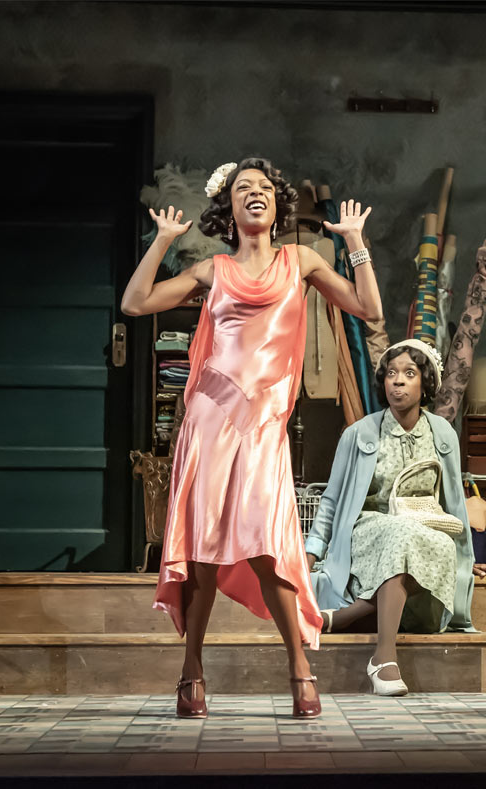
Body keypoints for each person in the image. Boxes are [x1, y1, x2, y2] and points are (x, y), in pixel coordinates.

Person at [120, 157, 384, 719]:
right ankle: (191, 669)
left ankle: (299, 667)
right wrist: (164, 241)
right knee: (204, 552)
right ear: (230, 207)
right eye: (244, 188)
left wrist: (356, 243)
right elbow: (135, 303)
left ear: (276, 202)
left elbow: (369, 309)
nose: (256, 194)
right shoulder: (212, 271)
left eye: (264, 187)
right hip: (210, 420)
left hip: (264, 426)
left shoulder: (302, 260)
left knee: (269, 545)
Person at [305, 339, 486, 697]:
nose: (398, 381)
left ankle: (348, 616)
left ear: (425, 383)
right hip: (368, 531)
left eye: (409, 374)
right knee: (400, 533)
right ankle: (384, 657)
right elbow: (332, 500)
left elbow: (454, 505)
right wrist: (310, 554)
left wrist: (468, 559)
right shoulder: (358, 434)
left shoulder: (442, 432)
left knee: (424, 540)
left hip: (426, 532)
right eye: (392, 374)